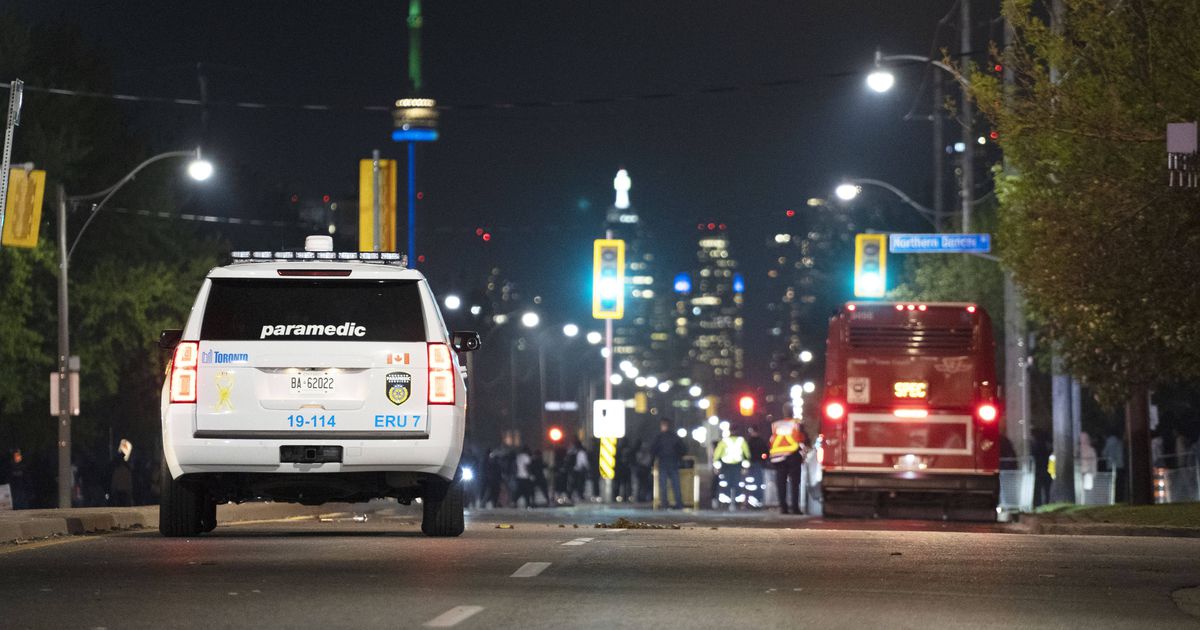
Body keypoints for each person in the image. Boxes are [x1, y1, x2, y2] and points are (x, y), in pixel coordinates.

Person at [768, 419, 807, 514]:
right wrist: (803, 456)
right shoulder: (796, 424)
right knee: (795, 483)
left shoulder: (776, 424)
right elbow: (802, 440)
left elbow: (771, 441)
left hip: (779, 458)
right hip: (793, 456)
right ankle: (795, 508)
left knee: (781, 483)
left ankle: (783, 507)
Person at [649, 419, 686, 509]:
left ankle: (664, 504)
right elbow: (683, 449)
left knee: (663, 485)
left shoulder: (659, 437)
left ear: (662, 426)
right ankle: (679, 503)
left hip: (663, 462)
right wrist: (678, 457)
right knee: (676, 485)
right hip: (673, 462)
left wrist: (653, 461)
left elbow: (653, 450)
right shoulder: (675, 437)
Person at [713, 429, 750, 509]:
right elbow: (747, 455)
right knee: (737, 483)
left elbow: (717, 455)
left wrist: (716, 467)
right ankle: (736, 502)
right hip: (737, 465)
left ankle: (726, 502)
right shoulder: (741, 441)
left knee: (726, 483)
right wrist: (745, 467)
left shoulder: (724, 441)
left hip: (726, 466)